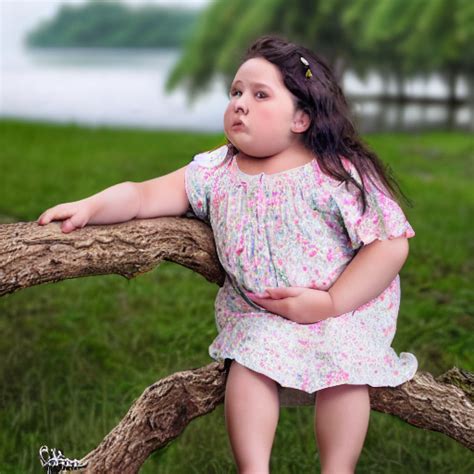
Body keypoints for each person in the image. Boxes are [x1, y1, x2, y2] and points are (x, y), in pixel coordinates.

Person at [37, 35, 418, 474]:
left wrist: (331, 303)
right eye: (236, 92)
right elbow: (143, 196)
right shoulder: (216, 171)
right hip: (261, 310)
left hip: (343, 306)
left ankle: (338, 467)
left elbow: (390, 244)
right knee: (249, 362)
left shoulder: (335, 172)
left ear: (301, 118)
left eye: (260, 95)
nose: (240, 104)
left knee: (344, 368)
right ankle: (252, 469)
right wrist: (92, 207)